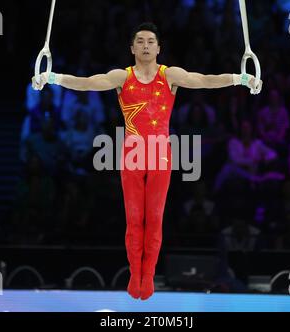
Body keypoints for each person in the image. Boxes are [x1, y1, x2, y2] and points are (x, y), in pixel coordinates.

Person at [32, 22, 262, 300]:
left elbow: (205, 79)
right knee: (134, 220)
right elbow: (87, 84)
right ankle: (134, 273)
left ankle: (149, 274)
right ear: (132, 48)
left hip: (160, 154)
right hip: (132, 154)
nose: (145, 45)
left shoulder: (170, 75)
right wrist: (52, 78)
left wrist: (242, 79)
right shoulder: (121, 77)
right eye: (140, 41)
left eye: (150, 41)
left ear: (159, 48)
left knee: (154, 219)